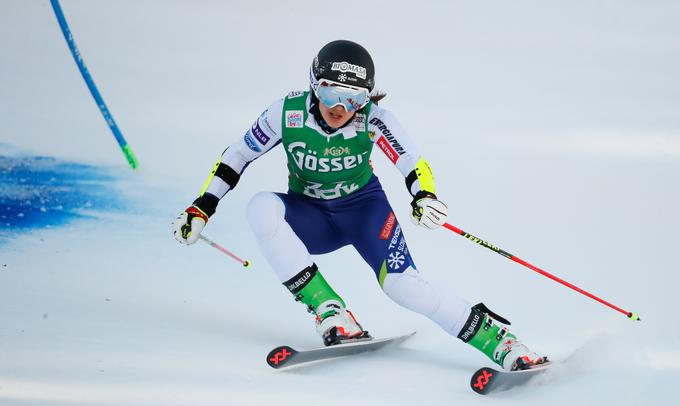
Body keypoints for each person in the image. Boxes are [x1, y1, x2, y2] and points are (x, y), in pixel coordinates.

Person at [172, 40, 547, 371]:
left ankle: (501, 344)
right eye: (331, 93)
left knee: (405, 288)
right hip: (312, 217)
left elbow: (412, 161)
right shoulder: (285, 113)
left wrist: (425, 196)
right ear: (313, 85)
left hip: (365, 213)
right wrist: (203, 206)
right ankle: (330, 310)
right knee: (260, 207)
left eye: (354, 99)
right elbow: (237, 154)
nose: (340, 108)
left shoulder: (373, 120)